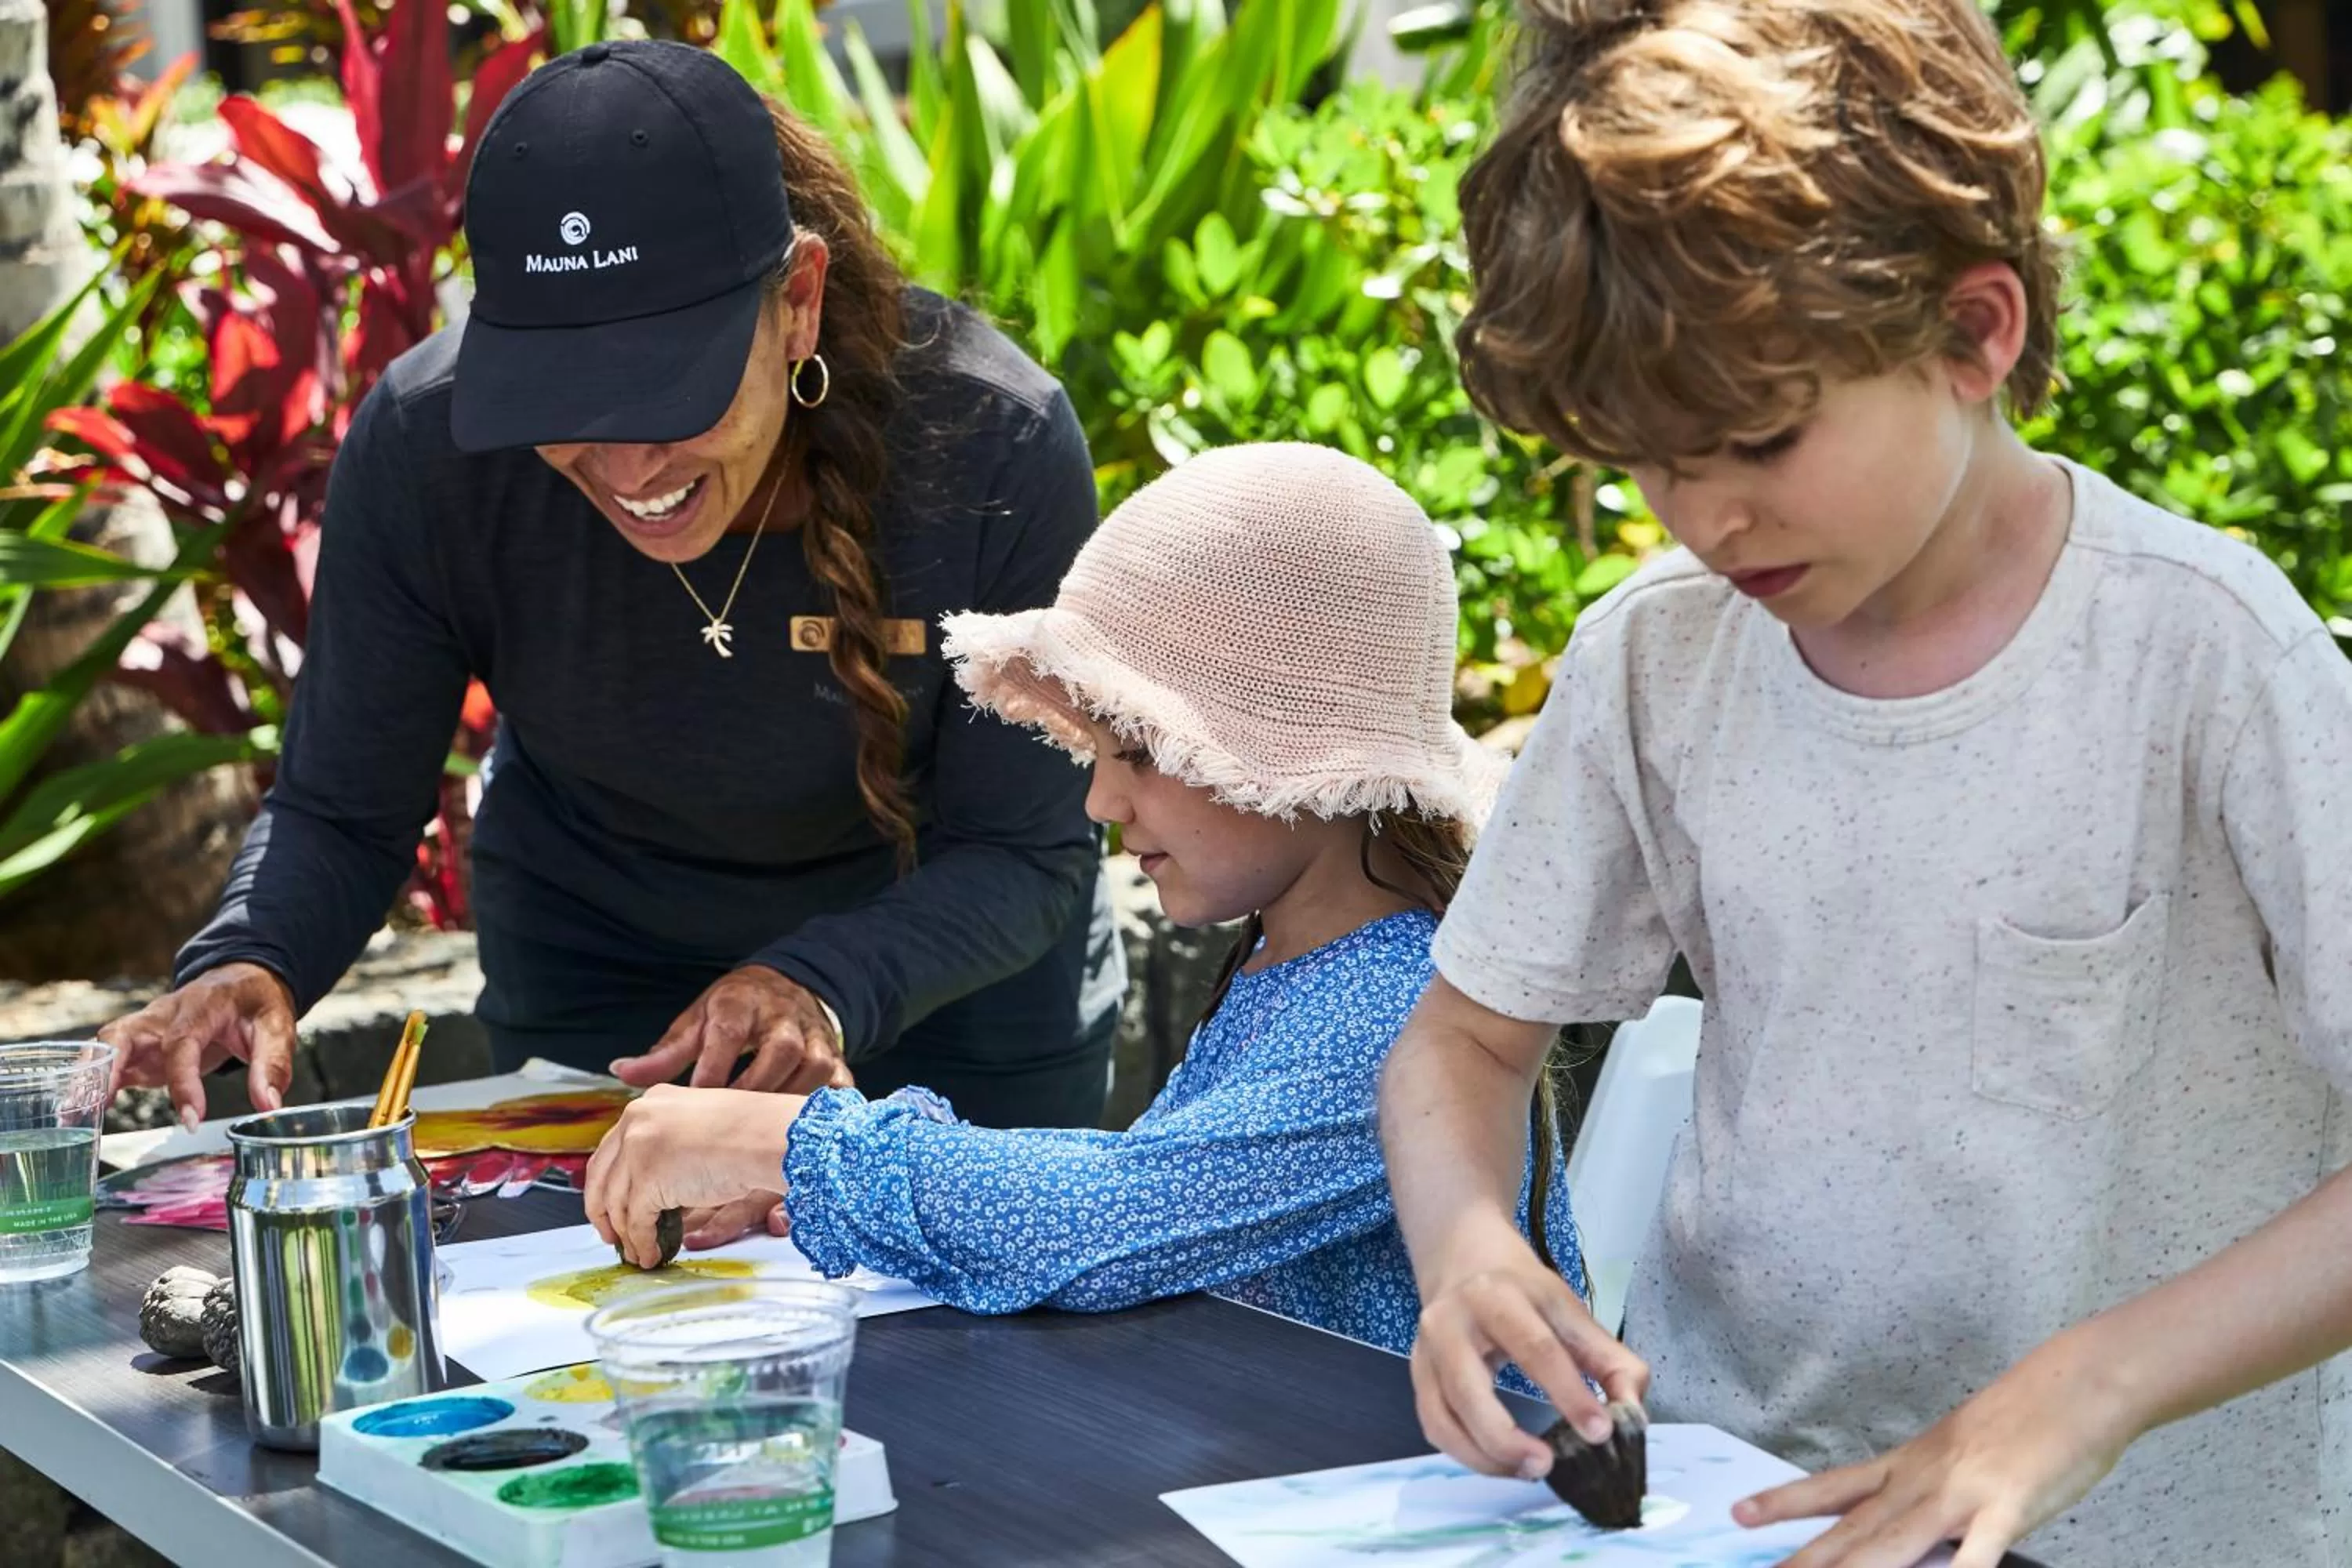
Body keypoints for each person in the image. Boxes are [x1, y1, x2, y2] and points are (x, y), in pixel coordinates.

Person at [1377, 2, 2352, 1566]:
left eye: (1759, 438)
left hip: (2146, 1533)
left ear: (1976, 331)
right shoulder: (1657, 660)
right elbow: (1462, 1046)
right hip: (1734, 1510)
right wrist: (1469, 1249)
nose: (1702, 512)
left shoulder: (2205, 654)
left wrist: (2086, 1388)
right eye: (1648, 457)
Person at [98, 41, 1125, 1142]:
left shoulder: (992, 445)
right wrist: (251, 959)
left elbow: (1023, 849)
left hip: (954, 987)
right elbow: (345, 805)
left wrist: (817, 984)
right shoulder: (427, 446)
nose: (629, 467)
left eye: (668, 392)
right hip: (607, 988)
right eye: (566, 401)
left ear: (800, 303)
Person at [580, 443, 1584, 1367]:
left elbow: (1105, 1218)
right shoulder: (1304, 957)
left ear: (1290, 749)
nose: (1101, 801)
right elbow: (1153, 1182)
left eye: (1143, 751)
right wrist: (822, 1181)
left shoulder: (1399, 1012)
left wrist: (777, 1142)